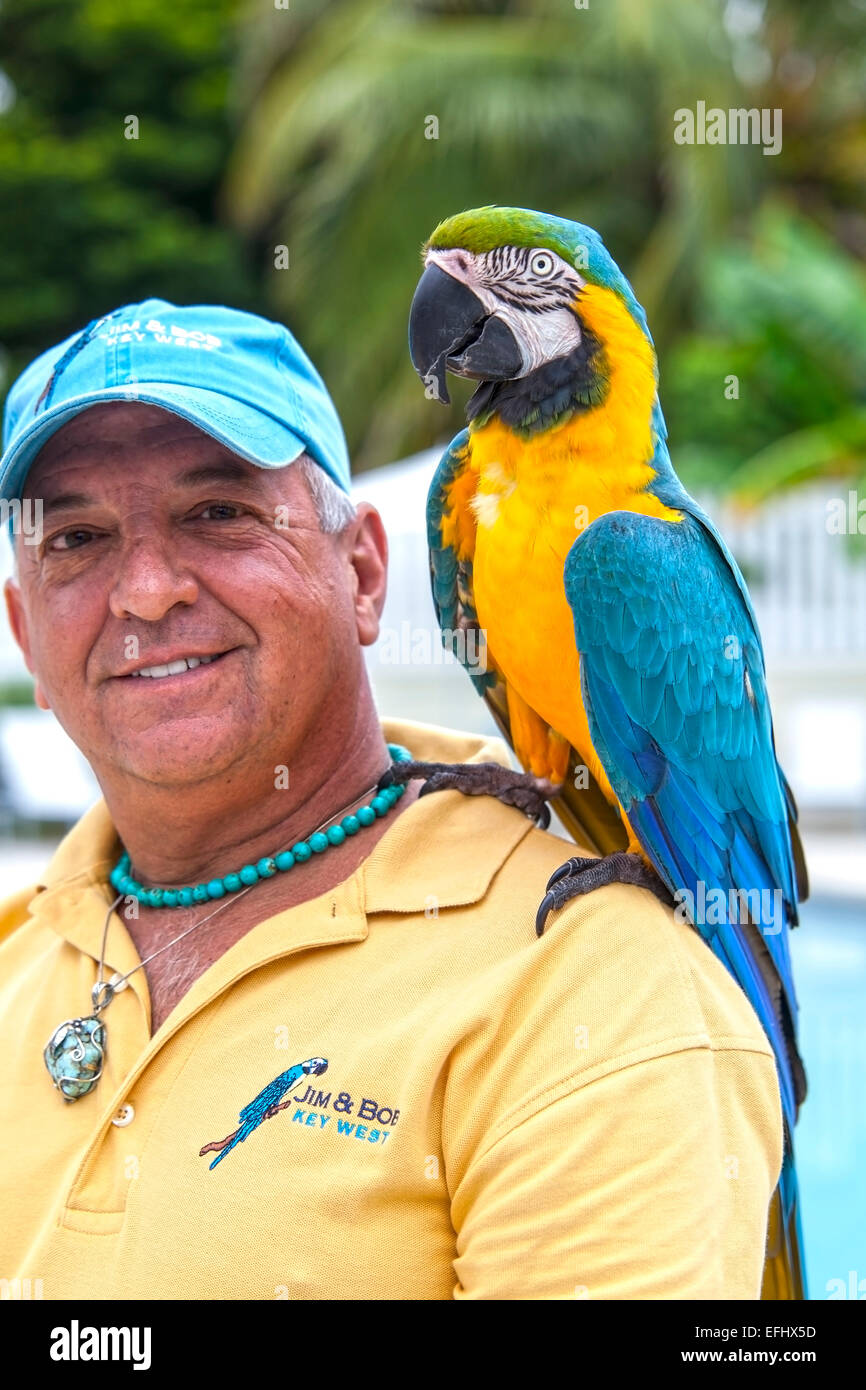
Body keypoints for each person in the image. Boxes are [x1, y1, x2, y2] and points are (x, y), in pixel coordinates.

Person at [0, 299, 782, 1300]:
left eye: (218, 513)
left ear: (363, 569)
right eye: (75, 538)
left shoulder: (591, 990)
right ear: (25, 632)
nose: (147, 591)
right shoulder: (22, 945)